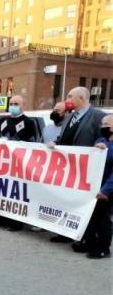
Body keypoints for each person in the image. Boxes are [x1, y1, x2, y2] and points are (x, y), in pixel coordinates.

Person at [49, 87, 107, 244]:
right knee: (66, 200)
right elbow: (63, 136)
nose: (67, 100)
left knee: (85, 205)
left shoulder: (98, 116)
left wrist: (100, 145)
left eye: (70, 96)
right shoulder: (69, 117)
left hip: (87, 170)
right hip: (68, 169)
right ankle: (65, 232)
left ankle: (86, 237)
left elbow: (104, 138)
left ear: (81, 98)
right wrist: (56, 142)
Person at [0, 95, 36, 231]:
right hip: (1, 163)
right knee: (1, 191)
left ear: (23, 106)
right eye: (11, 103)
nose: (13, 105)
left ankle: (15, 223)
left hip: (18, 164)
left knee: (15, 194)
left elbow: (32, 143)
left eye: (16, 103)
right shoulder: (3, 120)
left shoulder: (28, 122)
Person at [86, 115, 113, 259]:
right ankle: (91, 244)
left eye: (107, 124)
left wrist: (106, 190)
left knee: (103, 219)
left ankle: (104, 248)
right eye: (102, 124)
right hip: (95, 187)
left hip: (107, 190)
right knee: (92, 217)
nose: (103, 127)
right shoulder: (101, 140)